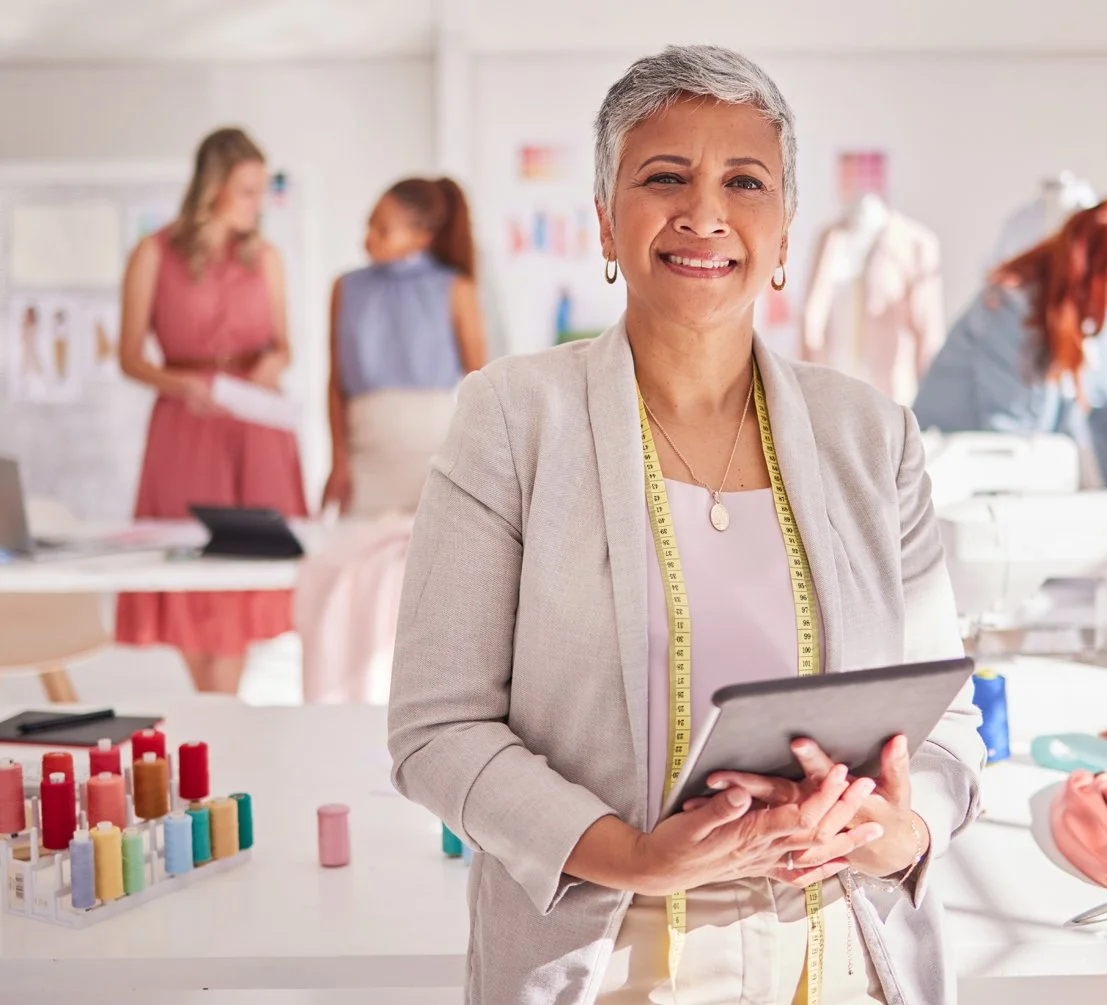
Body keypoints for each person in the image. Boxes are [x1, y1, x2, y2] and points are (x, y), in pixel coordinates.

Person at [388, 45, 984, 1004]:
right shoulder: (513, 417)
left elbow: (948, 727)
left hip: (841, 959)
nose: (704, 212)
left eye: (744, 181)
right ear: (606, 223)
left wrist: (897, 833)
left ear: (785, 232)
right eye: (663, 177)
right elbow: (437, 728)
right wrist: (631, 855)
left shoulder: (873, 435)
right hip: (608, 962)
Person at [116, 127, 307, 694]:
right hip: (186, 427)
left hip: (256, 429)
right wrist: (184, 384)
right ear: (211, 189)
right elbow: (129, 357)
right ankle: (217, 705)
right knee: (190, 562)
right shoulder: (153, 254)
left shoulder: (266, 257)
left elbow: (284, 346)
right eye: (245, 191)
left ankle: (219, 706)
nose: (257, 204)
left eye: (260, 190)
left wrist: (272, 366)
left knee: (247, 565)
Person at [912, 198, 1107, 486]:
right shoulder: (1008, 305)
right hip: (950, 470)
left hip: (1009, 465)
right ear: (1088, 273)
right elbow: (1009, 432)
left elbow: (1105, 411)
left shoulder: (1103, 312)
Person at [321, 177, 487, 517]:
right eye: (369, 225)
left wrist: (477, 465)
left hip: (433, 455)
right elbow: (336, 383)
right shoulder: (346, 288)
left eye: (383, 230)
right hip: (365, 456)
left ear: (420, 238)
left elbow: (481, 386)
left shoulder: (455, 289)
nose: (368, 238)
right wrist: (338, 460)